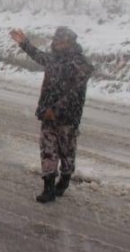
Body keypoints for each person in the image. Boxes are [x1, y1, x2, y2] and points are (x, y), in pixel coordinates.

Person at [10, 27, 94, 203]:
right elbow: (39, 56)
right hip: (48, 115)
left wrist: (56, 109)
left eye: (60, 41)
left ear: (70, 42)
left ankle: (63, 182)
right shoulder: (55, 59)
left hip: (67, 117)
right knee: (48, 151)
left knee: (67, 152)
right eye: (55, 40)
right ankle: (48, 188)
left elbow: (74, 93)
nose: (56, 44)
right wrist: (24, 43)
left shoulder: (80, 64)